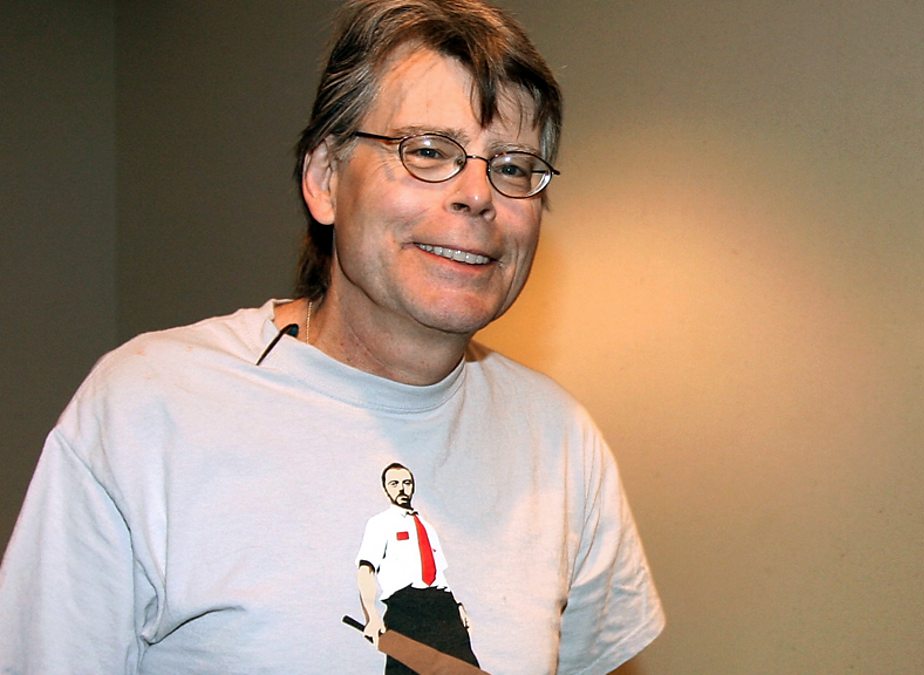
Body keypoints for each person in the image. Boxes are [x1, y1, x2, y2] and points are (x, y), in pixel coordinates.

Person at [0, 1, 665, 672]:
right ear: (324, 180)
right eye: (428, 151)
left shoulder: (559, 441)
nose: (478, 194)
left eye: (514, 166)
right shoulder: (149, 408)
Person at [357, 463, 479, 673]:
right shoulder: (380, 524)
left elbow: (437, 573)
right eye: (394, 484)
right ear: (385, 488)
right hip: (407, 608)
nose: (401, 488)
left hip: (443, 608)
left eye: (406, 483)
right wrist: (372, 616)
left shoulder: (427, 527)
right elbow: (365, 570)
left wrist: (456, 604)